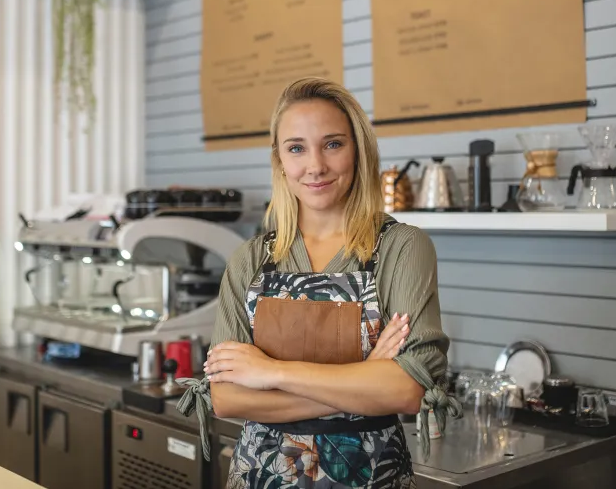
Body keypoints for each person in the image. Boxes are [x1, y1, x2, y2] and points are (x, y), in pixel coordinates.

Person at [176, 76, 460, 489]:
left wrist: (270, 372)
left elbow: (404, 391)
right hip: (261, 476)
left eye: (333, 144)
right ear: (279, 161)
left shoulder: (401, 248)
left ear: (358, 150)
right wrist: (364, 376)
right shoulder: (251, 259)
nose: (315, 166)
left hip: (370, 477)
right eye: (296, 148)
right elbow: (227, 398)